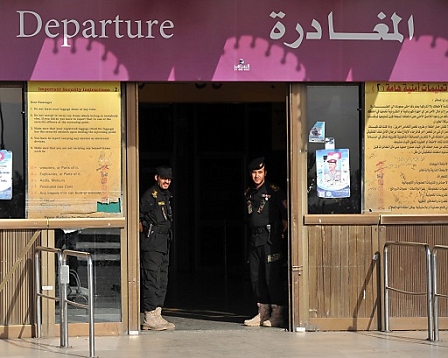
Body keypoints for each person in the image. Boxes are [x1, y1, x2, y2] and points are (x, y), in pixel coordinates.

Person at [243, 157, 288, 328]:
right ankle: (262, 312)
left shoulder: (274, 190)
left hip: (270, 239)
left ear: (265, 173)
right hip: (255, 239)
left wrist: (277, 234)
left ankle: (277, 314)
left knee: (272, 277)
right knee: (256, 277)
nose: (256, 176)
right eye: (254, 173)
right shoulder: (248, 192)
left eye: (259, 172)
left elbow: (285, 218)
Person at [139, 166, 175, 331]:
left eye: (168, 179)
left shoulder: (166, 195)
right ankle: (149, 315)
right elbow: (138, 217)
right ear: (156, 178)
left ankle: (157, 313)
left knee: (162, 278)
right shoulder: (150, 195)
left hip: (163, 242)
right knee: (152, 278)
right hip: (152, 242)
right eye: (163, 178)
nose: (166, 181)